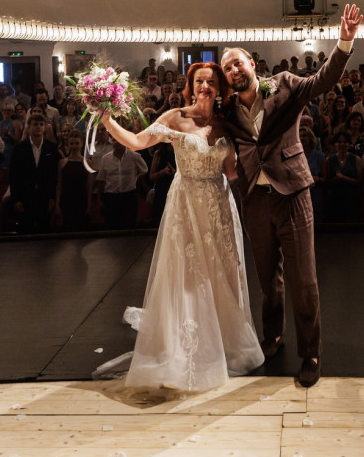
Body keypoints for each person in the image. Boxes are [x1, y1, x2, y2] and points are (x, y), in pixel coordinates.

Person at [94, 62, 264, 394]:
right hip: (186, 203)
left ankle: (226, 341)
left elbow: (231, 170)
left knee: (222, 271)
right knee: (189, 275)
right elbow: (138, 142)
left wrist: (257, 194)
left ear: (219, 88)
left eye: (211, 82)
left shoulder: (225, 123)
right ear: (191, 85)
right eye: (199, 81)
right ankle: (188, 344)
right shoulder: (175, 117)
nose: (205, 86)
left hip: (220, 205)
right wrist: (109, 122)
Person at [219, 4, 362, 388]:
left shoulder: (282, 84)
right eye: (226, 67)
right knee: (268, 279)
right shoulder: (227, 110)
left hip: (293, 194)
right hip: (254, 200)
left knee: (303, 280)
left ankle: (310, 353)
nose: (233, 70)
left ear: (252, 63)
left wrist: (343, 41)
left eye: (238, 63)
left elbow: (322, 82)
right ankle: (273, 336)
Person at [9, 114, 60, 233]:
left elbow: (54, 175)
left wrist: (52, 197)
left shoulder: (51, 148)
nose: (38, 127)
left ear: (45, 127)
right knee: (25, 229)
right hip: (25, 195)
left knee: (44, 229)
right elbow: (13, 176)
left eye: (41, 124)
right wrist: (16, 199)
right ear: (29, 127)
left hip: (44, 194)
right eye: (35, 124)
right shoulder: (19, 148)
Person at [323, 131, 362, 222]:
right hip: (335, 199)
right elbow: (327, 181)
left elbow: (359, 181)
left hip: (352, 198)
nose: (342, 144)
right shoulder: (329, 159)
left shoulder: (356, 159)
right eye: (339, 142)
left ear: (349, 144)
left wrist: (343, 178)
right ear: (335, 144)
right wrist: (335, 180)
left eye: (345, 142)